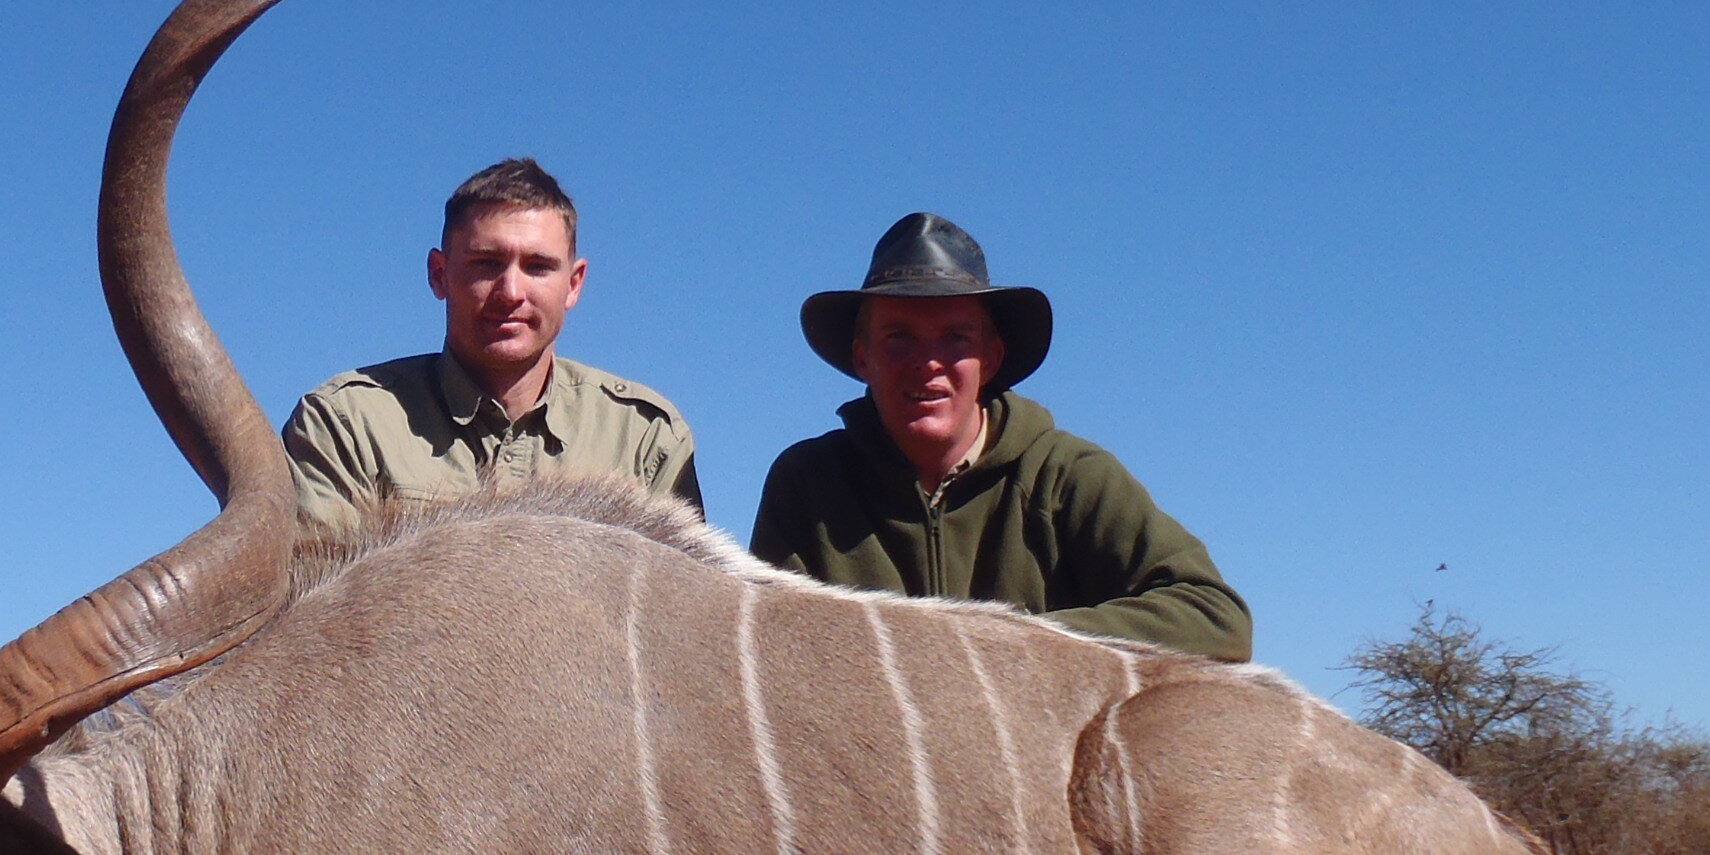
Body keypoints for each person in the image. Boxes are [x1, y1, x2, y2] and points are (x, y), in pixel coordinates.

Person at [750, 212, 1250, 658]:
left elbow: (1215, 618)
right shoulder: (808, 483)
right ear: (863, 358)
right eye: (899, 337)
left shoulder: (1063, 474)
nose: (928, 365)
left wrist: (1001, 645)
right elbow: (771, 648)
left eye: (955, 338)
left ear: (990, 359)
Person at [285, 157, 700, 530]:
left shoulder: (644, 437)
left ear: (573, 284)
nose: (511, 291)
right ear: (439, 273)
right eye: (486, 264)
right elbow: (325, 606)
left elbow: (677, 608)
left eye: (538, 267)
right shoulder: (347, 423)